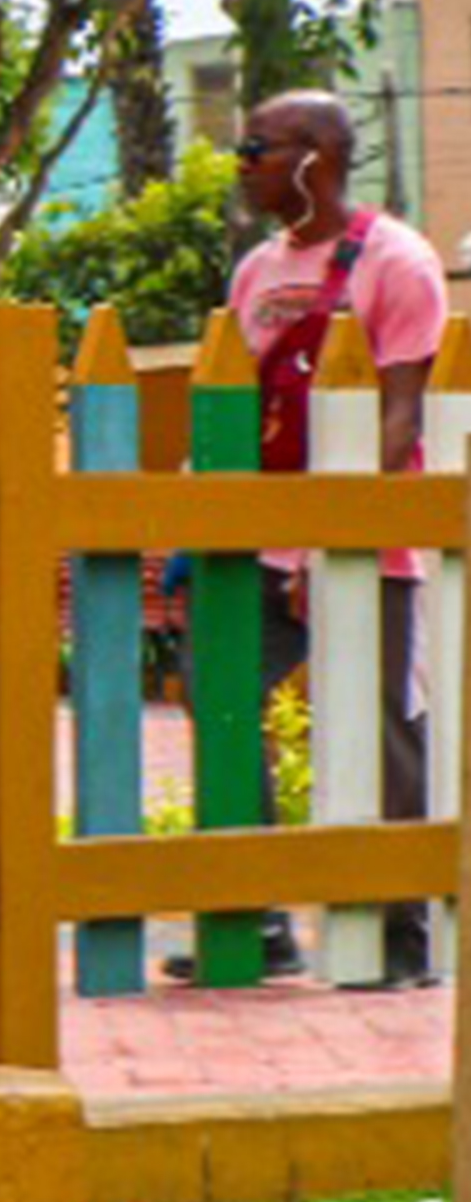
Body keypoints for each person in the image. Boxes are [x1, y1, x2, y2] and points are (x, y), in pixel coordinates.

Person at [231, 88, 443, 988]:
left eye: (256, 148)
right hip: (262, 532)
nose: (242, 166)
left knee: (377, 724)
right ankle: (258, 915)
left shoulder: (398, 262)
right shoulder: (253, 273)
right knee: (223, 697)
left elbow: (397, 419)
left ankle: (402, 930)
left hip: (366, 540)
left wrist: (330, 543)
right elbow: (236, 409)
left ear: (315, 157)